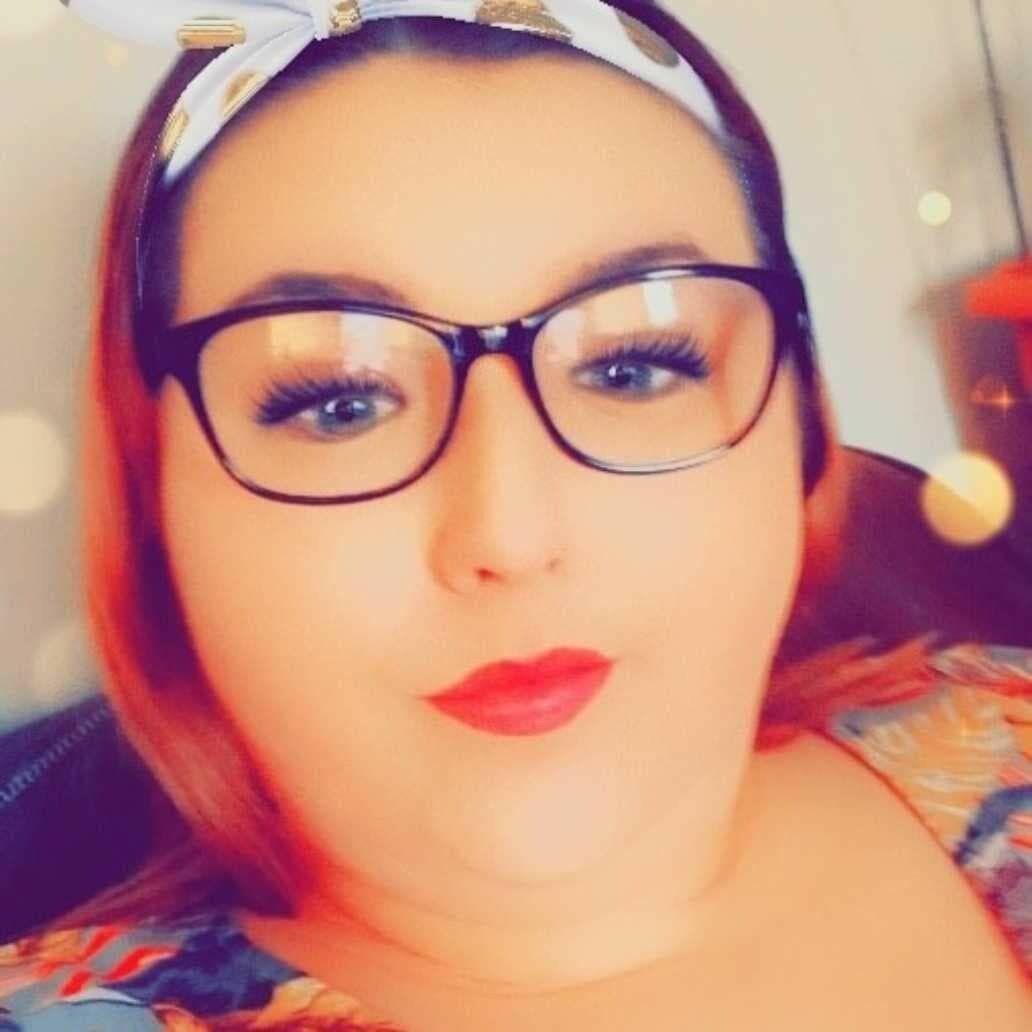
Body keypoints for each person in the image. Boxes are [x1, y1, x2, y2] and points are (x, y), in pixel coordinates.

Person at [1, 0, 1029, 1028]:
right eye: (339, 403)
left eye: (632, 367)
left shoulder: (1004, 721)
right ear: (155, 504)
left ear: (799, 429)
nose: (509, 535)